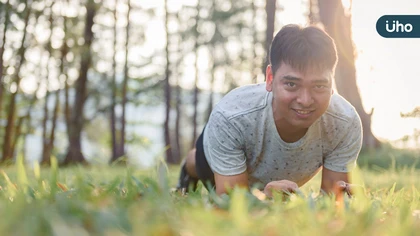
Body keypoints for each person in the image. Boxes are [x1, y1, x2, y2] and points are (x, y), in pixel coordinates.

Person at [177, 24, 362, 198]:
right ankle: (189, 167)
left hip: (277, 167)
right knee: (199, 164)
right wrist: (265, 197)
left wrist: (346, 199)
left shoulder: (345, 123)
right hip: (219, 153)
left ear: (332, 84)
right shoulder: (231, 116)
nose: (305, 100)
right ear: (270, 78)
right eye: (291, 84)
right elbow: (231, 203)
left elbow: (330, 200)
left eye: (319, 86)